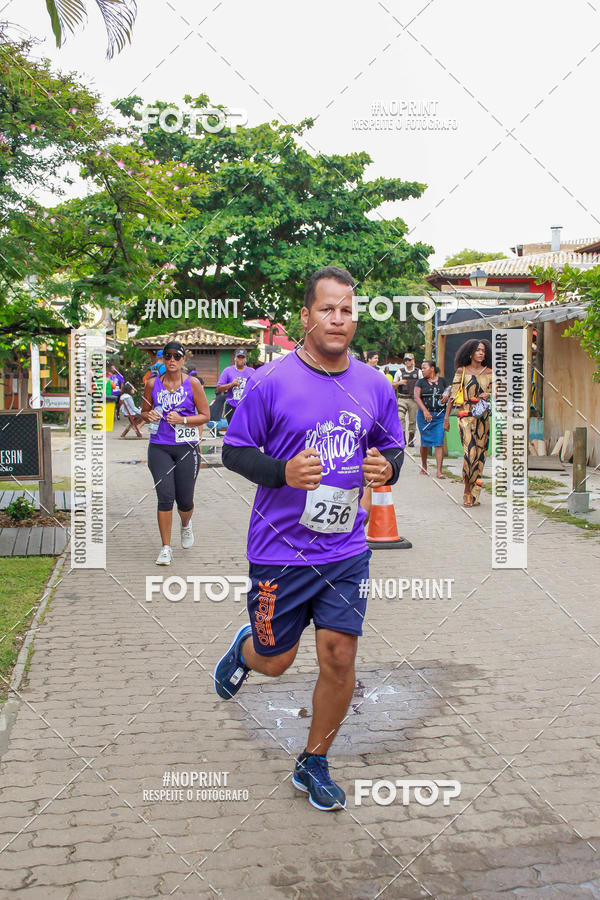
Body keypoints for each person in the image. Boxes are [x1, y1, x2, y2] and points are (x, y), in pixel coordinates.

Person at [215, 265, 405, 812]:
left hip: (345, 549)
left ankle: (313, 760)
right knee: (276, 660)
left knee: (340, 656)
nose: (338, 319)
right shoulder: (270, 381)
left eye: (347, 310)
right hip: (279, 549)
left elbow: (391, 450)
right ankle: (245, 650)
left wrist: (384, 467)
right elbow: (234, 450)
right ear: (306, 316)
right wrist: (281, 473)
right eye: (327, 309)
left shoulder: (373, 384)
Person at [141, 340, 210, 565]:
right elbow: (144, 410)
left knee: (185, 501)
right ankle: (165, 548)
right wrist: (148, 415)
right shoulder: (152, 384)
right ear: (163, 359)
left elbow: (205, 415)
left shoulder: (193, 384)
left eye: (176, 356)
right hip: (159, 446)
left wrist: (184, 420)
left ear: (183, 359)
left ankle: (186, 524)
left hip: (186, 447)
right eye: (167, 356)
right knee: (165, 497)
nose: (171, 360)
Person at [444, 339, 494, 508]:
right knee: (470, 454)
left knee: (480, 457)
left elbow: (500, 394)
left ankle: (475, 494)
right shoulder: (462, 371)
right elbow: (453, 394)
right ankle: (466, 491)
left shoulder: (490, 372)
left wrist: (489, 395)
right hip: (465, 417)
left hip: (483, 419)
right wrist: (446, 419)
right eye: (478, 350)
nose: (481, 353)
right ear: (470, 352)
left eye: (483, 351)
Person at [414, 361, 448, 478]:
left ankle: (439, 470)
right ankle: (424, 465)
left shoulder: (443, 381)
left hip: (439, 416)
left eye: (424, 368)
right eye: (421, 368)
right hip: (424, 417)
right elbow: (416, 397)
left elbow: (449, 392)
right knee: (425, 442)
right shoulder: (420, 382)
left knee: (439, 441)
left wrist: (447, 395)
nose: (422, 370)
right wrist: (425, 411)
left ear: (432, 368)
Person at [216, 349, 254, 424]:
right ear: (235, 358)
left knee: (245, 429)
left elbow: (256, 387)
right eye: (238, 357)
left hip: (246, 406)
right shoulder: (228, 371)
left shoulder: (252, 371)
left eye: (242, 357)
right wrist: (231, 384)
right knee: (232, 430)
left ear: (246, 359)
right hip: (231, 406)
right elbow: (219, 388)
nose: (240, 359)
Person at [393, 353, 422, 447]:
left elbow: (423, 383)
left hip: (413, 399)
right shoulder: (400, 372)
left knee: (412, 420)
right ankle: (402, 438)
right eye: (405, 360)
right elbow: (393, 385)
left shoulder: (418, 372)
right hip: (402, 398)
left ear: (413, 360)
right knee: (400, 417)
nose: (407, 362)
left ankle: (411, 439)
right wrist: (399, 383)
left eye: (409, 360)